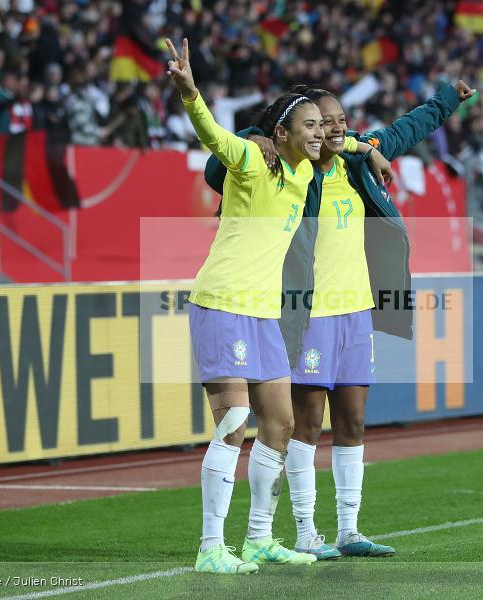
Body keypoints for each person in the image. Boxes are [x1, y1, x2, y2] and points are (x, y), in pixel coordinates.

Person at [206, 78, 476, 560]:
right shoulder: (290, 168)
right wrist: (257, 134)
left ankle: (349, 530)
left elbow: (405, 130)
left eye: (339, 121)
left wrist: (449, 98)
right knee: (304, 424)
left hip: (357, 314)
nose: (333, 128)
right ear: (295, 128)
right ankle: (307, 531)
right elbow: (215, 165)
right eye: (321, 121)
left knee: (352, 420)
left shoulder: (356, 163)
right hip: (309, 315)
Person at [167, 38, 347, 575]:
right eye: (309, 125)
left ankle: (261, 539)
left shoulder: (305, 173)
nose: (319, 132)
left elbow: (349, 140)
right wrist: (191, 94)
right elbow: (216, 138)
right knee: (235, 420)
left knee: (281, 422)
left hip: (264, 311)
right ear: (281, 134)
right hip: (222, 303)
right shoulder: (252, 159)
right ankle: (210, 547)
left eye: (322, 125)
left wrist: (369, 146)